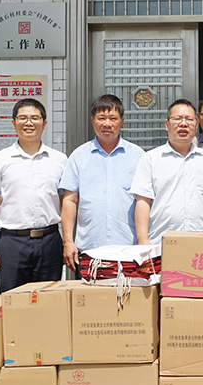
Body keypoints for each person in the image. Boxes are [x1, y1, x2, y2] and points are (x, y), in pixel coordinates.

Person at [0, 98, 68, 293]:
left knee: (49, 301)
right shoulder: (0, 159)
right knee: (12, 300)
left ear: (44, 123)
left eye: (35, 118)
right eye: (23, 118)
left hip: (50, 240)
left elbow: (67, 204)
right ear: (13, 123)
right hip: (12, 243)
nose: (29, 123)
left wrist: (68, 241)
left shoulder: (59, 160)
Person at [60, 94, 144, 270]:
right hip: (89, 249)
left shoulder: (138, 156)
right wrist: (68, 241)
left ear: (122, 121)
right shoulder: (79, 156)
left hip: (129, 249)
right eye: (101, 118)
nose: (107, 124)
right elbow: (70, 200)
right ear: (93, 121)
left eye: (113, 118)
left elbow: (145, 201)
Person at [130, 99, 203, 246]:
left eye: (189, 119)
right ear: (167, 124)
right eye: (177, 118)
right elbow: (143, 201)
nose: (183, 123)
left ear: (196, 125)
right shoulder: (151, 159)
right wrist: (143, 241)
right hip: (162, 242)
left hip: (202, 241)